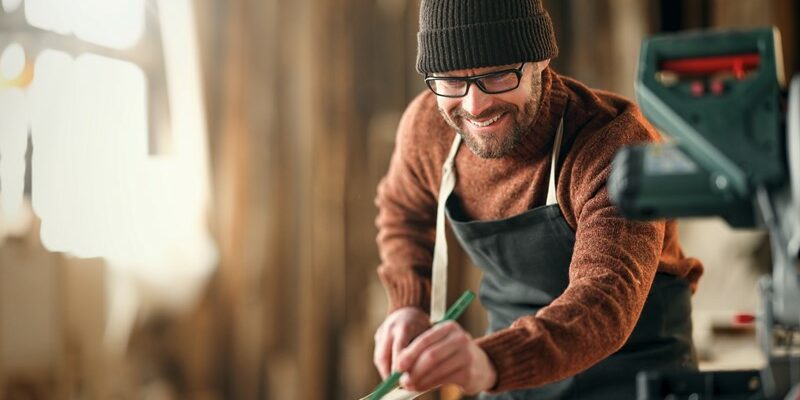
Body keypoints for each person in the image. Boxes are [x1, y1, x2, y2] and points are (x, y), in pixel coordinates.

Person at [372, 0, 704, 399]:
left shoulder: (615, 146)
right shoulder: (428, 128)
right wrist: (409, 304)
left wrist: (491, 363)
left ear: (540, 59)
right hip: (512, 372)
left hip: (633, 370)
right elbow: (403, 212)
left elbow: (604, 299)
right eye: (451, 81)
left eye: (497, 76)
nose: (475, 106)